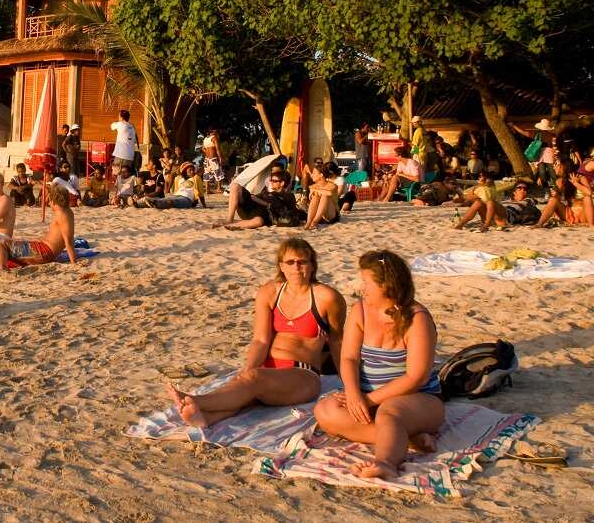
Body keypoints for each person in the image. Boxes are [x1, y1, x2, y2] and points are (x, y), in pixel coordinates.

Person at [166, 239, 346, 427]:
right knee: (246, 387)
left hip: (302, 374)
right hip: (267, 368)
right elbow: (260, 340)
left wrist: (348, 386)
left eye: (302, 262)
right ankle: (207, 419)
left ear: (312, 266)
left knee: (252, 381)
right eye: (290, 262)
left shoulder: (327, 298)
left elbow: (338, 343)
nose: (296, 267)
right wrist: (248, 369)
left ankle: (196, 401)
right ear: (281, 266)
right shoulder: (269, 292)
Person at [313, 250, 444, 480]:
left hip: (418, 399)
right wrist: (353, 394)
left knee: (389, 412)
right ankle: (407, 437)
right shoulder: (360, 310)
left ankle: (386, 462)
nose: (362, 288)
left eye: (366, 283)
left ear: (386, 285)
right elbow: (348, 358)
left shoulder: (417, 318)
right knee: (325, 411)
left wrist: (369, 400)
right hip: (367, 396)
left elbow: (416, 377)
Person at [219, 165, 304, 230]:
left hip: (262, 214)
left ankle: (234, 224)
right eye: (271, 180)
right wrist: (255, 198)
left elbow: (282, 210)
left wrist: (263, 202)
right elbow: (255, 197)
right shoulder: (267, 191)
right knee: (235, 186)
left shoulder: (288, 196)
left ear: (282, 183)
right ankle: (229, 219)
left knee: (258, 222)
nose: (271, 182)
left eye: (274, 181)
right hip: (251, 207)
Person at [534, 157, 591, 228]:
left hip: (584, 213)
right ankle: (539, 224)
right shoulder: (559, 181)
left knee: (587, 198)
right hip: (570, 213)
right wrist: (556, 193)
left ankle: (591, 225)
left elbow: (589, 193)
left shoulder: (581, 177)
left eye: (557, 164)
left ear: (563, 166)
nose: (554, 167)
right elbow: (556, 200)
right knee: (553, 200)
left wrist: (576, 183)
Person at [303, 163, 342, 229]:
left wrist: (316, 191)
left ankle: (314, 222)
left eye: (314, 173)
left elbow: (329, 193)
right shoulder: (313, 186)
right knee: (315, 196)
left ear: (321, 175)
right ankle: (309, 222)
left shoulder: (332, 185)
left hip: (331, 215)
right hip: (320, 216)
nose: (312, 175)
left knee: (325, 196)